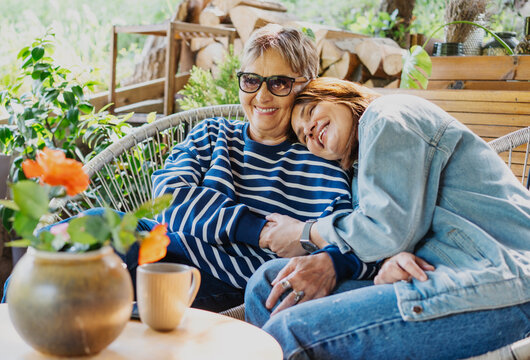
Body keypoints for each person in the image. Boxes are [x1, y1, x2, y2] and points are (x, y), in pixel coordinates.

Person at [245, 77, 530, 359]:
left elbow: (386, 231)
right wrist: (391, 261)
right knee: (269, 285)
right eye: (303, 135)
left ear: (340, 95)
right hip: (444, 271)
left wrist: (305, 233)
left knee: (289, 331)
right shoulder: (361, 173)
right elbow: (397, 233)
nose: (309, 130)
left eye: (310, 112)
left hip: (502, 280)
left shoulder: (386, 116)